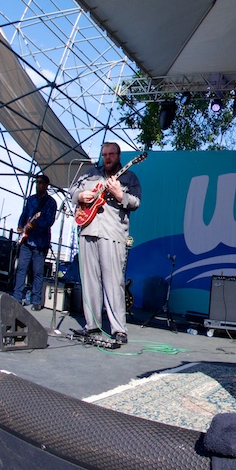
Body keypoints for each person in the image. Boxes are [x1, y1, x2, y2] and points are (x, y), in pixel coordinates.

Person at [69, 142, 141, 344]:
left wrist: (119, 194)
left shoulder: (129, 177)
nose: (107, 157)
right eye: (104, 154)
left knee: (113, 282)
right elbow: (73, 191)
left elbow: (136, 202)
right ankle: (92, 326)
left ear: (118, 156)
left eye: (111, 154)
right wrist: (80, 196)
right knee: (90, 281)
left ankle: (119, 329)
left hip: (112, 232)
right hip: (88, 229)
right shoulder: (90, 174)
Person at [11, 174, 57, 310]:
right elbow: (24, 214)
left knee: (37, 272)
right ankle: (17, 297)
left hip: (40, 242)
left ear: (46, 185)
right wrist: (20, 225)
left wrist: (37, 225)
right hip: (27, 240)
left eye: (41, 183)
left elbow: (50, 221)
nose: (38, 185)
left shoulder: (50, 202)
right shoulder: (30, 200)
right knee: (21, 269)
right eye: (36, 182)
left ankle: (36, 300)